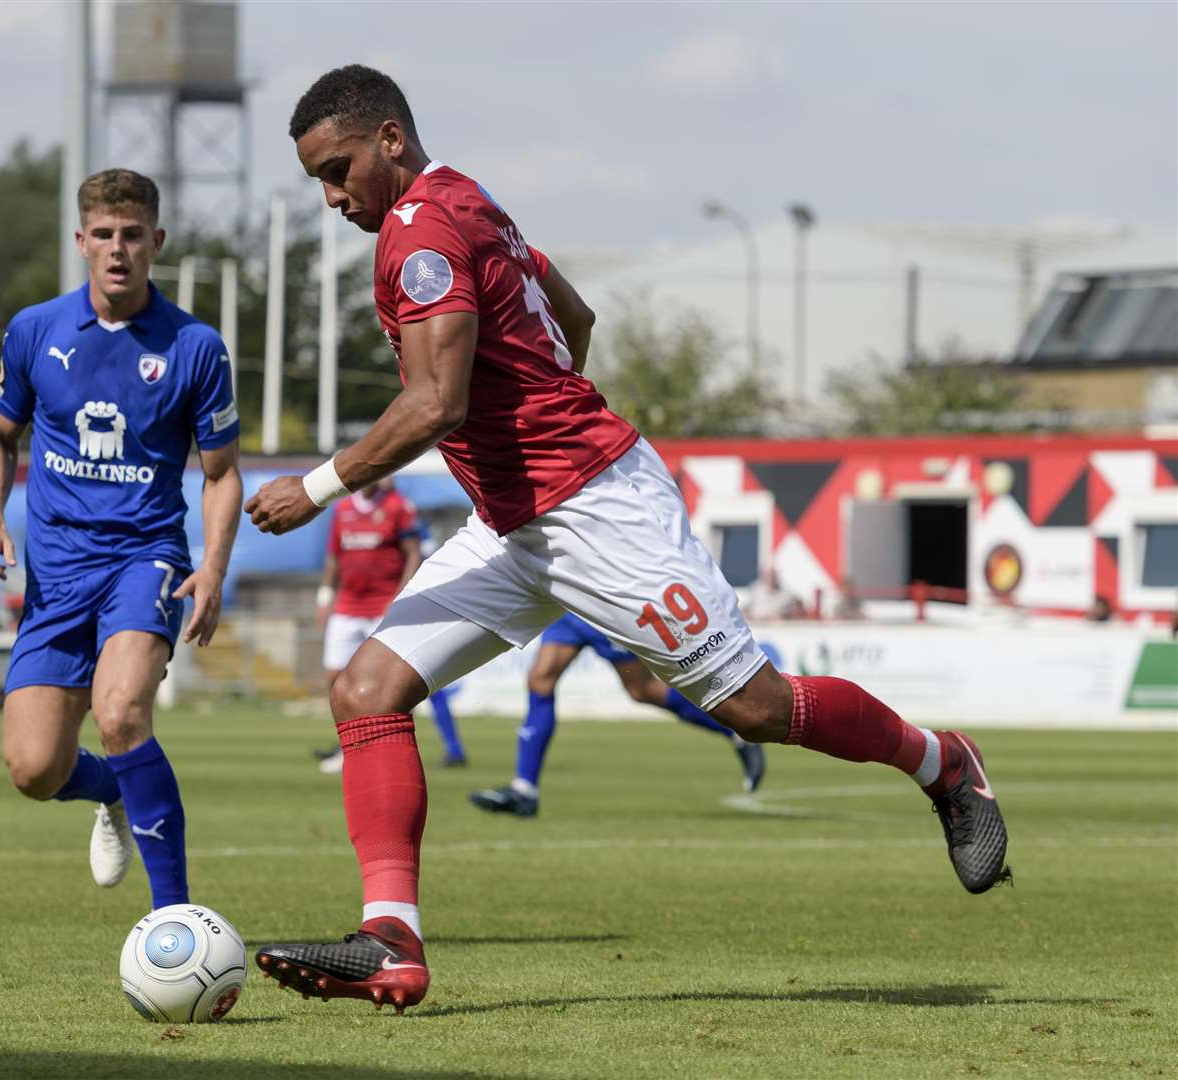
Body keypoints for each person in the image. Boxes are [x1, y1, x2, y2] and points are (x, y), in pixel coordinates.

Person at [243, 66, 1009, 1013]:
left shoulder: (421, 233)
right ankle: (391, 938)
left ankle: (942, 764)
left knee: (758, 707)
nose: (330, 196)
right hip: (516, 519)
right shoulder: (465, 196)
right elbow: (576, 318)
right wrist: (535, 425)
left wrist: (315, 487)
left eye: (338, 168)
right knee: (366, 689)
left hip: (599, 512)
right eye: (318, 177)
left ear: (390, 139)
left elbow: (435, 402)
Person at [0, 168, 243, 914]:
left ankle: (175, 923)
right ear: (80, 240)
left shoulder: (195, 347)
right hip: (55, 574)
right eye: (103, 235)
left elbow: (221, 476)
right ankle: (112, 790)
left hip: (143, 558)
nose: (117, 250)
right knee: (33, 769)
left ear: (156, 241)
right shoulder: (35, 330)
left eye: (132, 236)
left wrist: (213, 566)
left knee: (122, 713)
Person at [470, 613, 765, 817]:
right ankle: (525, 790)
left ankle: (736, 732)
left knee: (643, 689)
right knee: (540, 679)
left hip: (598, 603)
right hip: (567, 604)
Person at [314, 480, 466, 774]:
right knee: (335, 678)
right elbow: (333, 557)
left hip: (382, 605)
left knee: (412, 679)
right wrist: (325, 597)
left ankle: (450, 747)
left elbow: (413, 552)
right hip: (348, 605)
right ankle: (347, 746)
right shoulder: (343, 508)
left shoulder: (397, 506)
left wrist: (401, 595)